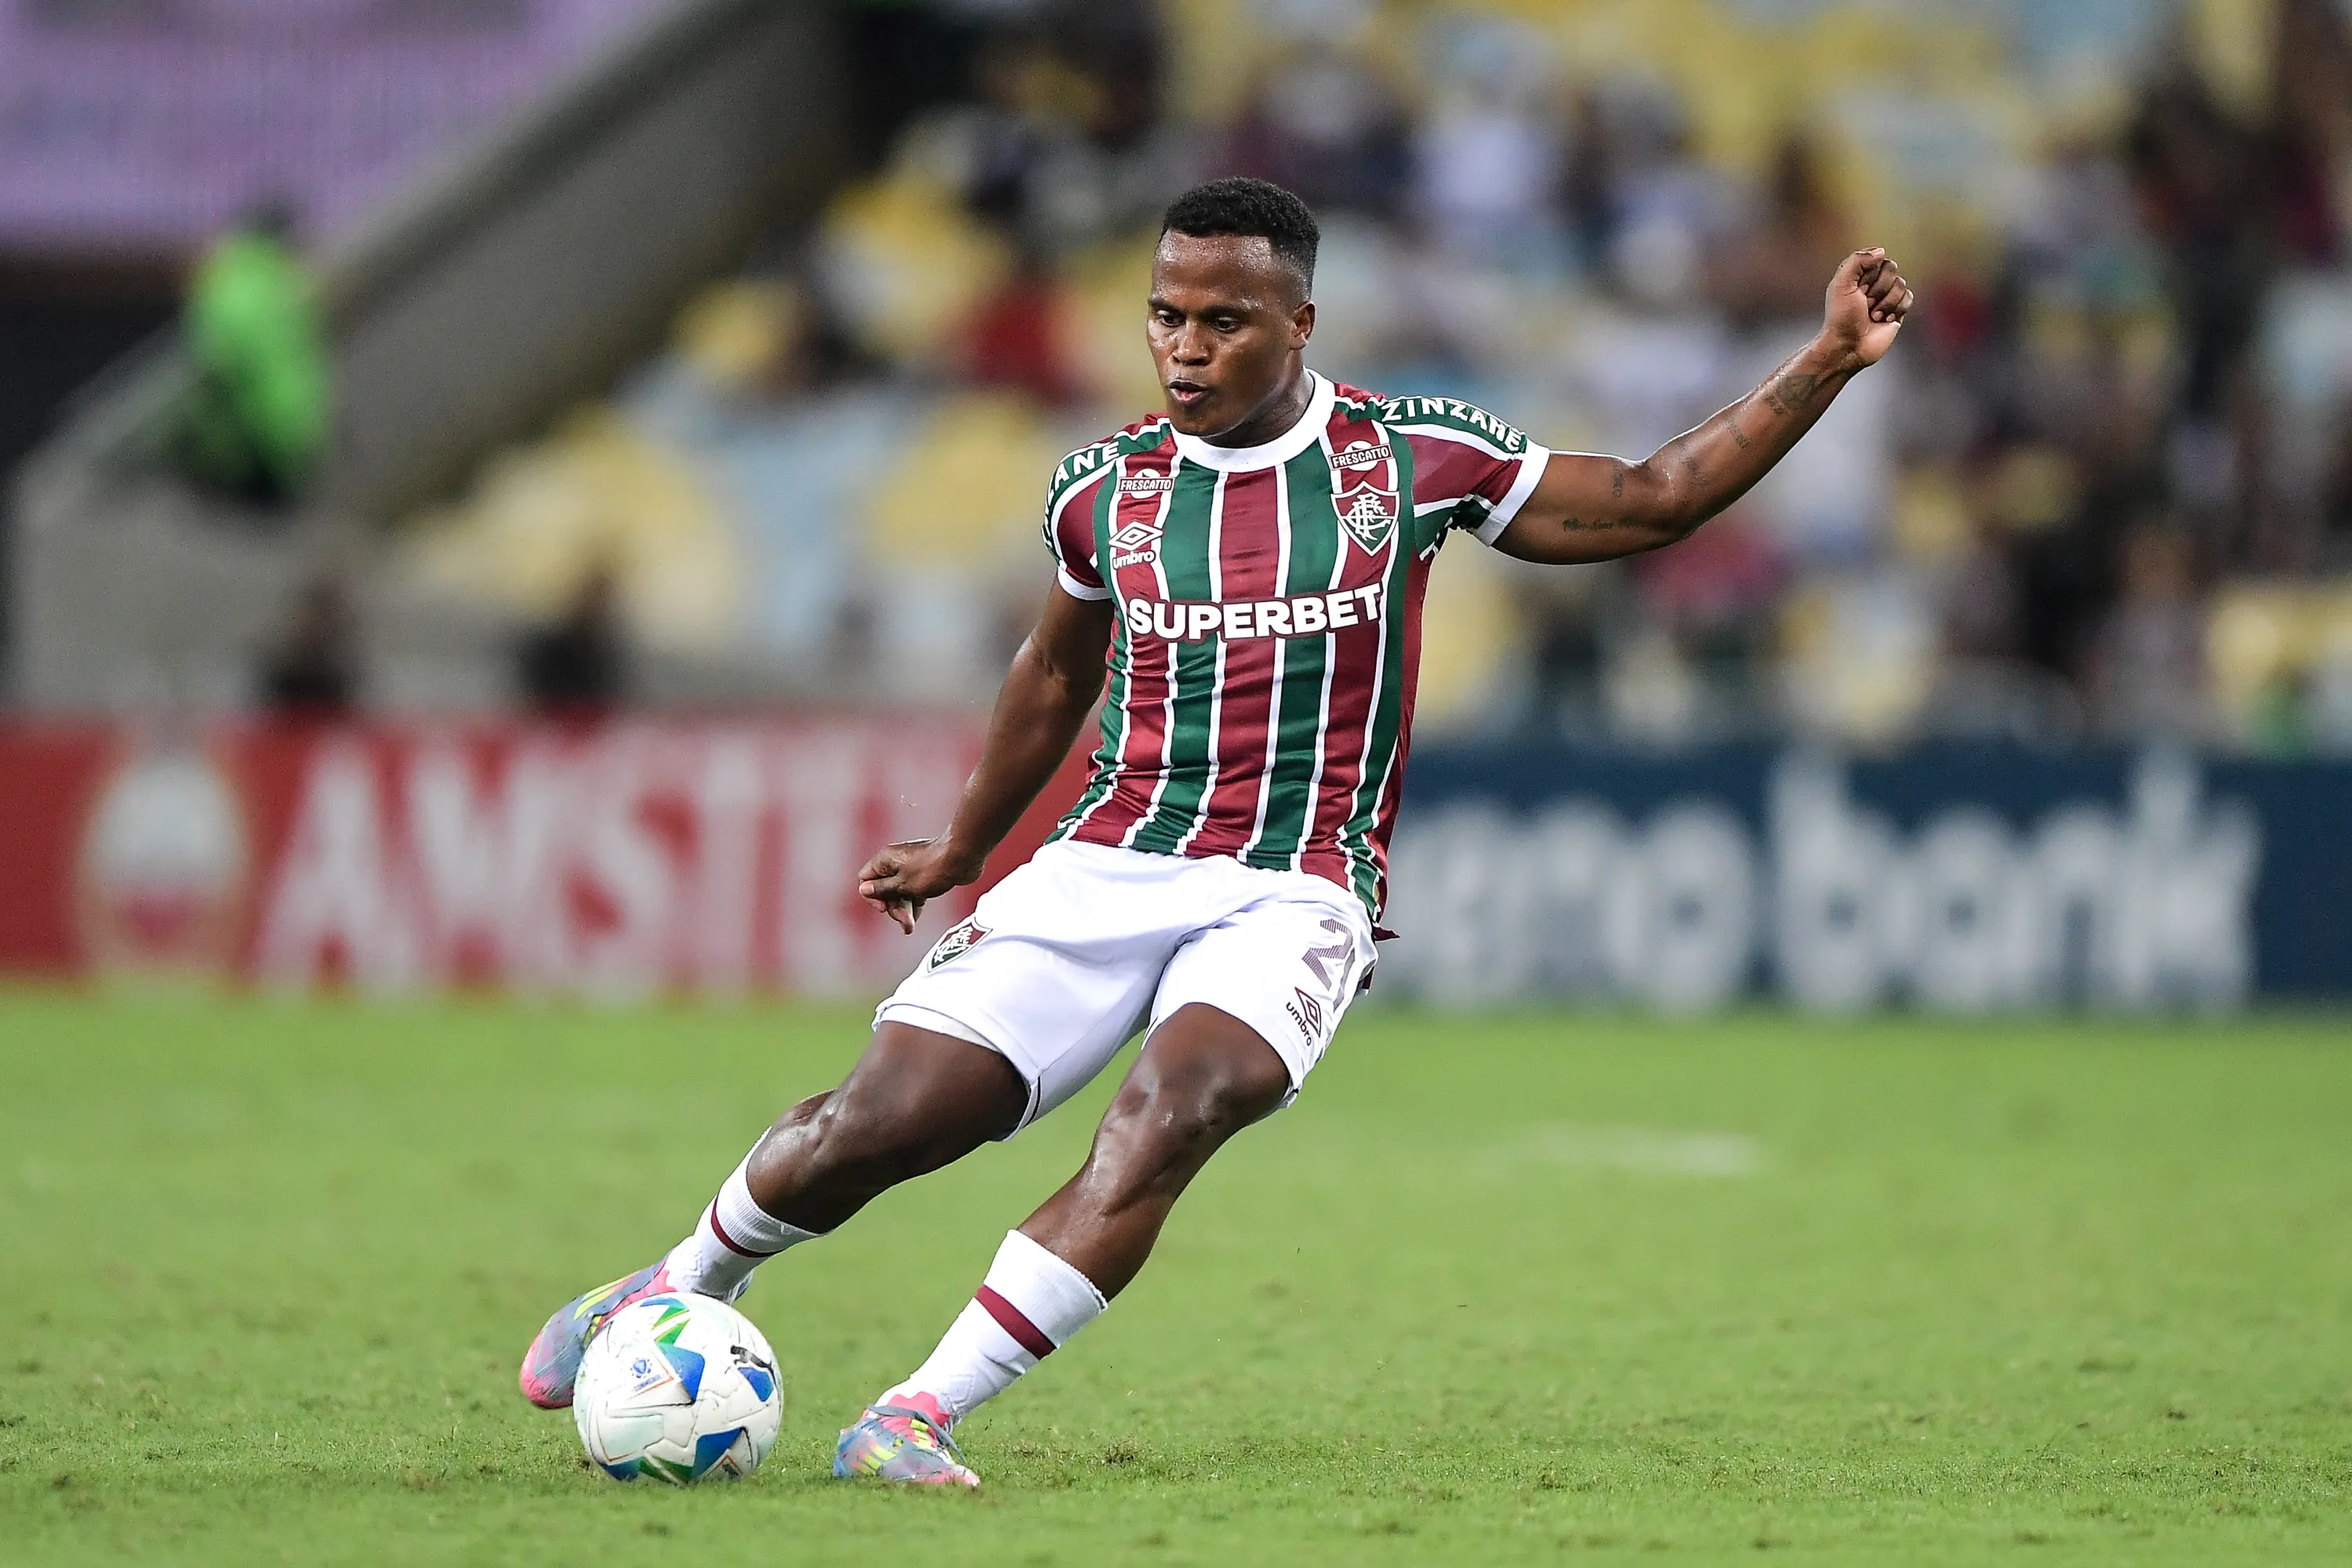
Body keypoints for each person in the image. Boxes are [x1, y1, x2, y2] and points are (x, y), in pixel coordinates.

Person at [517, 177, 1911, 1484]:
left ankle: (912, 1413)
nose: (1185, 348)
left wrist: (1828, 361)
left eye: (1224, 319)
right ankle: (680, 1282)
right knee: (883, 1125)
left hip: (1297, 889)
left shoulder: (1406, 460)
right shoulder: (1102, 490)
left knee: (1178, 1109)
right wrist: (962, 845)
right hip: (1113, 858)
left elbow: (1656, 498)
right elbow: (1054, 671)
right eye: (1166, 316)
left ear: (1300, 323)